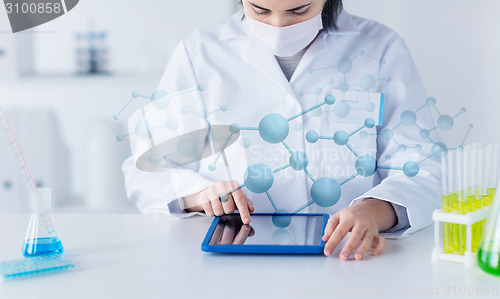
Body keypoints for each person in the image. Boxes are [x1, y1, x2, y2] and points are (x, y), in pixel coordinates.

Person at [122, 0, 441, 261]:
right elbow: (145, 170)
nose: (278, 27)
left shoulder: (381, 49)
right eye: (260, 10)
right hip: (233, 266)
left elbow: (425, 167)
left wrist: (374, 210)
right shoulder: (199, 53)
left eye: (299, 10)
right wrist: (198, 195)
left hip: (349, 259)